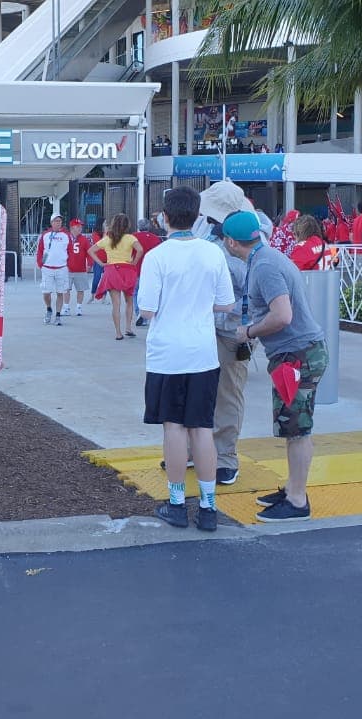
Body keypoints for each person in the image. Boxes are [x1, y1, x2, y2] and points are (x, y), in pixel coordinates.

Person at [138, 186, 235, 531]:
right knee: (202, 429)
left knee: (174, 429)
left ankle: (177, 503)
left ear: (164, 217)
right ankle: (208, 508)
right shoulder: (213, 254)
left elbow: (146, 310)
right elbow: (226, 303)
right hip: (203, 354)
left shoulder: (157, 257)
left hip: (167, 355)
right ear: (198, 218)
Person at [221, 210, 328, 523]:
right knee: (293, 427)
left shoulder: (265, 266)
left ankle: (297, 501)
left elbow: (283, 315)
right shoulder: (265, 258)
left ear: (230, 241)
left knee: (297, 429)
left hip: (297, 355)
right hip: (296, 353)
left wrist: (249, 332)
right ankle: (293, 488)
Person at [196, 181, 259, 488]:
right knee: (199, 391)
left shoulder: (249, 240)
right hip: (204, 326)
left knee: (227, 393)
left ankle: (224, 458)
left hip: (232, 329)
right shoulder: (208, 232)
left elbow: (251, 283)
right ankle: (200, 449)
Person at [88, 213, 144, 340]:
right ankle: (128, 328)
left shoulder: (107, 239)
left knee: (116, 304)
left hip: (112, 270)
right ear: (127, 225)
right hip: (127, 270)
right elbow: (140, 250)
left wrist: (101, 263)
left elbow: (91, 250)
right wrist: (134, 263)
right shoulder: (130, 238)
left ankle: (118, 333)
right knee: (129, 301)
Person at [35, 215, 71, 325]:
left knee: (60, 292)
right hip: (47, 268)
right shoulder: (45, 235)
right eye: (56, 221)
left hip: (61, 268)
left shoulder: (66, 235)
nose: (58, 223)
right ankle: (49, 309)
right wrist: (41, 264)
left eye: (60, 221)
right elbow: (40, 250)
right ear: (51, 222)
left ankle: (58, 315)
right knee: (46, 292)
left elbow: (70, 251)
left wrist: (68, 265)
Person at [132, 218, 162, 326]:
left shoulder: (133, 237)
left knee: (135, 292)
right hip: (151, 271)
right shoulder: (155, 239)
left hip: (136, 269)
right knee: (149, 292)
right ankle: (148, 312)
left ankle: (138, 312)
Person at [64, 219, 92, 316]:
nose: (80, 228)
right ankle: (66, 307)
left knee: (81, 289)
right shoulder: (66, 238)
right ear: (72, 228)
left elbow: (90, 252)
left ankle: (79, 307)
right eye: (78, 226)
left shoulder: (84, 239)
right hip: (67, 269)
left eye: (81, 226)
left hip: (81, 269)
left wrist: (89, 264)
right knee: (66, 289)